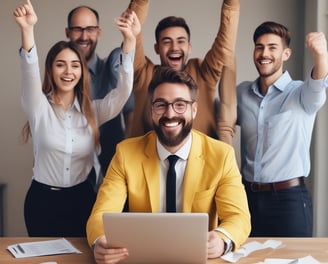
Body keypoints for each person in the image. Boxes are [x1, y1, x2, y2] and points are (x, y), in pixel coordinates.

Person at [86, 67, 251, 263]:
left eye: (180, 104)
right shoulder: (125, 153)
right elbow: (101, 214)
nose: (170, 113)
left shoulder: (221, 155)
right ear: (151, 109)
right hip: (144, 259)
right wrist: (100, 241)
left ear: (194, 109)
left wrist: (223, 240)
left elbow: (238, 217)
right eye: (161, 105)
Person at [13, 0, 140, 237]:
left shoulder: (94, 111)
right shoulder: (37, 106)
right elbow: (28, 69)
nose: (68, 72)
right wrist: (27, 30)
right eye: (60, 65)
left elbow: (123, 92)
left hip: (83, 200)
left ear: (82, 72)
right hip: (42, 203)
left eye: (74, 65)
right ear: (51, 70)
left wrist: (130, 40)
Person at [237, 21, 328, 237]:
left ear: (286, 54)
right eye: (259, 46)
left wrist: (321, 55)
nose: (264, 53)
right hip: (246, 198)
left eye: (272, 47)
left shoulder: (301, 93)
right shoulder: (241, 93)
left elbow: (318, 84)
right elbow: (216, 120)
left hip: (289, 200)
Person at [126, 0, 240, 144]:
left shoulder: (203, 73)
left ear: (189, 47)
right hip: (146, 161)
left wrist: (231, 3)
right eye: (167, 41)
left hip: (200, 162)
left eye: (181, 41)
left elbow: (225, 45)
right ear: (157, 48)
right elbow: (132, 36)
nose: (174, 47)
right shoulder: (143, 73)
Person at [65, 5, 135, 184]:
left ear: (99, 32)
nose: (83, 36)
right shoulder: (59, 76)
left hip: (113, 165)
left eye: (90, 29)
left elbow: (129, 112)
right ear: (67, 32)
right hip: (71, 172)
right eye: (77, 29)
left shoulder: (111, 66)